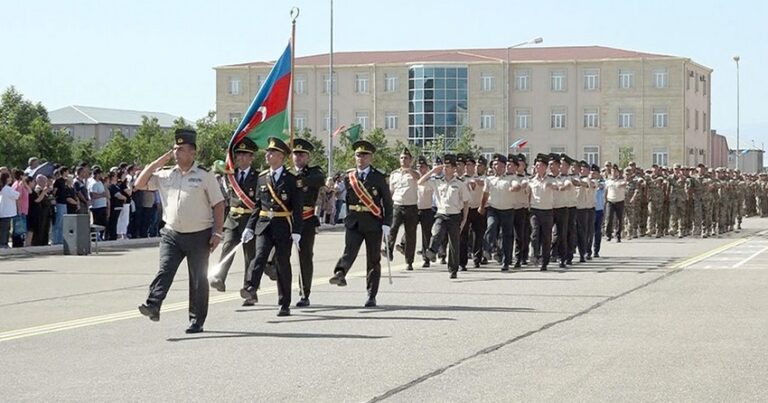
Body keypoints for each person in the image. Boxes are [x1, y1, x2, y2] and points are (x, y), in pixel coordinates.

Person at [135, 129, 225, 334]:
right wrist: (159, 161)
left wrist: (217, 232)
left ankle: (196, 320)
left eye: (181, 149)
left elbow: (219, 204)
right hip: (171, 233)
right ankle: (153, 305)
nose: (176, 152)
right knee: (165, 270)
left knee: (198, 279)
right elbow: (139, 184)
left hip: (199, 234)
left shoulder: (204, 175)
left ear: (192, 152)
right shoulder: (166, 174)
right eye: (175, 148)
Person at [240, 137, 303, 317]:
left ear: (281, 157)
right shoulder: (262, 178)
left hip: (284, 226)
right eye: (268, 152)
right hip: (264, 225)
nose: (268, 155)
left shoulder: (292, 179)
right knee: (259, 256)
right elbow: (258, 206)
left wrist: (297, 230)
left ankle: (284, 303)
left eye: (272, 153)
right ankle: (251, 287)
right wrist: (250, 227)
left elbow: (297, 208)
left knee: (282, 263)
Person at [329, 140, 393, 307]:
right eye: (358, 155)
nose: (361, 158)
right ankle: (340, 273)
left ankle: (371, 294)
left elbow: (387, 202)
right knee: (349, 251)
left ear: (371, 158)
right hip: (354, 221)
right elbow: (339, 195)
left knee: (373, 260)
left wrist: (387, 223)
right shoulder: (349, 177)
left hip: (373, 222)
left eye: (364, 155)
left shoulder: (379, 177)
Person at [209, 137, 259, 303]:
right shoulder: (231, 176)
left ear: (251, 157)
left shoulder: (258, 177)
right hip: (233, 219)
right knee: (228, 247)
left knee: (250, 256)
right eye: (239, 155)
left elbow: (258, 203)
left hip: (250, 219)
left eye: (245, 155)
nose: (241, 158)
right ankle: (220, 278)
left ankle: (250, 290)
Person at [420, 154, 470, 278]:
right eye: (444, 166)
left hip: (455, 216)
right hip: (441, 214)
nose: (445, 169)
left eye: (448, 166)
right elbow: (420, 182)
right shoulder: (436, 181)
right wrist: (433, 170)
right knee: (437, 232)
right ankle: (432, 251)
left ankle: (453, 270)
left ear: (454, 168)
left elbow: (466, 202)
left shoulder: (460, 183)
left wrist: (464, 220)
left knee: (454, 245)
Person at [290, 138, 325, 307]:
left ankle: (304, 293)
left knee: (305, 257)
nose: (298, 157)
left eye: (302, 154)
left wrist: (298, 181)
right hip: (286, 219)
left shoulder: (313, 172)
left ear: (308, 157)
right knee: (278, 254)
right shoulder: (285, 172)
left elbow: (320, 180)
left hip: (306, 220)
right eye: (295, 154)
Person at [480, 154, 516, 271]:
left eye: (499, 165)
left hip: (507, 210)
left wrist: (515, 187)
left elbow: (516, 185)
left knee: (506, 237)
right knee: (491, 226)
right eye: (495, 164)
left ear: (504, 166)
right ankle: (486, 249)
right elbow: (485, 194)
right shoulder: (489, 179)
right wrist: (481, 207)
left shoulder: (511, 178)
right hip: (493, 209)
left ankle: (505, 261)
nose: (497, 167)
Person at [386, 148, 420, 271]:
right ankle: (388, 250)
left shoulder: (414, 173)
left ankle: (409, 261)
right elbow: (391, 190)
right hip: (397, 204)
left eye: (406, 158)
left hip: (411, 206)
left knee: (410, 235)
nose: (403, 160)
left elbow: (418, 178)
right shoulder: (394, 174)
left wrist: (409, 170)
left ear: (410, 160)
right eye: (401, 158)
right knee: (392, 228)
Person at [528, 154, 558, 271]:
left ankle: (544, 261)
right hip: (535, 211)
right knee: (535, 233)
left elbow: (557, 187)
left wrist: (552, 185)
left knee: (546, 237)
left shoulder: (551, 180)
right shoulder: (531, 180)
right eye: (536, 165)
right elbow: (528, 194)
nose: (537, 167)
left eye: (540, 165)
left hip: (547, 211)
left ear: (545, 167)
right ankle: (535, 255)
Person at [0, 172, 21, 248]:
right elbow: (17, 195)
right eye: (10, 177)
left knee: (4, 229)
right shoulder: (7, 188)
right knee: (5, 229)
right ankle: (3, 244)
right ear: (7, 179)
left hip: (3, 211)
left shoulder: (3, 188)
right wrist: (20, 186)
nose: (11, 179)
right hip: (6, 212)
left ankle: (3, 243)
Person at [89, 168, 108, 239]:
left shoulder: (100, 182)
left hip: (103, 205)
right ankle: (95, 237)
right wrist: (102, 195)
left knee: (103, 223)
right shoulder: (93, 183)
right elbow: (92, 195)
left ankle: (101, 236)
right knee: (97, 223)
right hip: (97, 207)